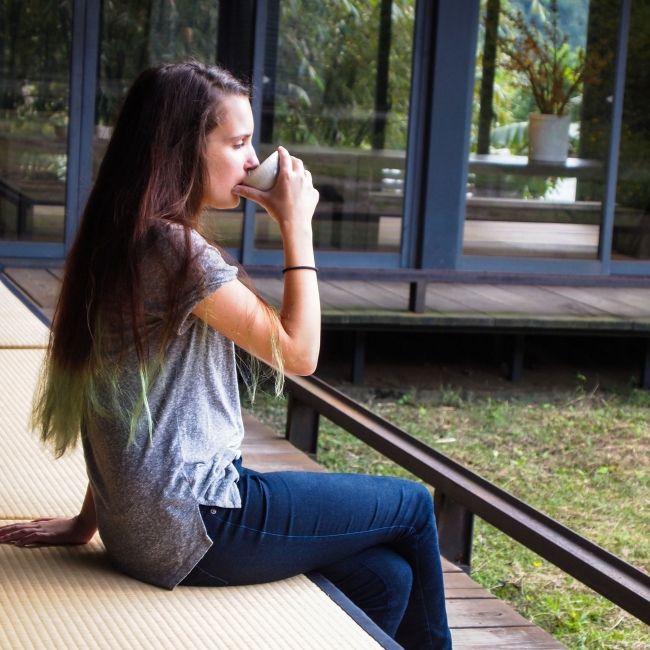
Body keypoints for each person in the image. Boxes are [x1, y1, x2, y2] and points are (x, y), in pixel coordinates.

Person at [0, 61, 451, 649]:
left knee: (387, 578)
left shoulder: (121, 236)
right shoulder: (178, 250)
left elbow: (123, 401)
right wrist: (297, 226)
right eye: (237, 142)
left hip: (145, 527)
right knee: (414, 505)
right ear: (181, 149)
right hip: (200, 520)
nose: (251, 160)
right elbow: (299, 352)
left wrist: (90, 521)